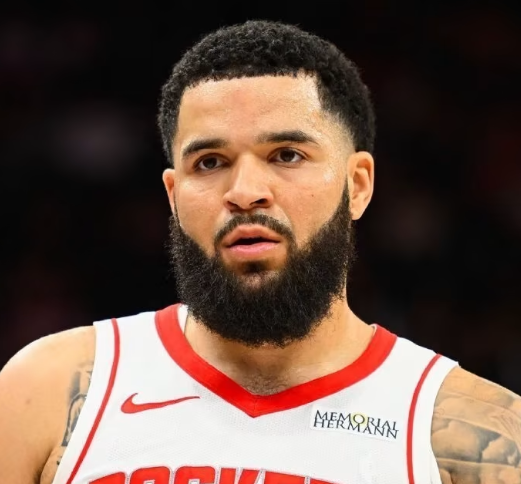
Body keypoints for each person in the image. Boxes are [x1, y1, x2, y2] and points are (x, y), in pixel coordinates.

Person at [1, 20, 520, 484]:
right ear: (173, 197)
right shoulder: (44, 390)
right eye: (209, 162)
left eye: (286, 155)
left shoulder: (480, 435)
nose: (245, 192)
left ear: (358, 185)